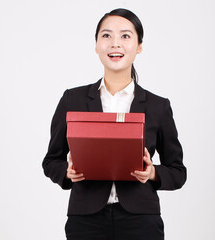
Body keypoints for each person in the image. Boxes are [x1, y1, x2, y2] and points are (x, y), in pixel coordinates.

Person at [42, 8, 186, 240]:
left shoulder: (158, 106)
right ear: (96, 45)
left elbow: (178, 172)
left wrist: (152, 174)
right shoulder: (73, 99)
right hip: (86, 220)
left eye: (125, 36)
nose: (115, 43)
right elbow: (51, 161)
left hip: (141, 220)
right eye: (106, 36)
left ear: (139, 46)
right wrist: (66, 173)